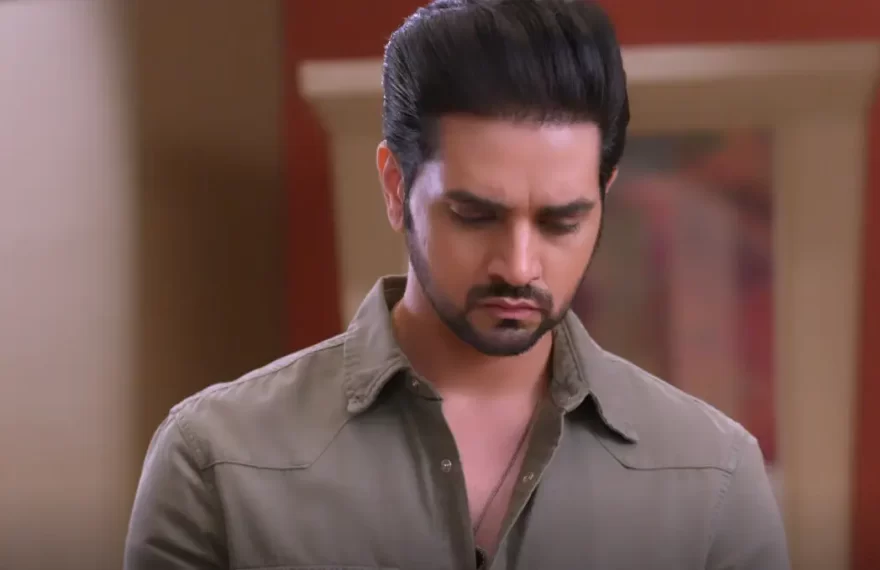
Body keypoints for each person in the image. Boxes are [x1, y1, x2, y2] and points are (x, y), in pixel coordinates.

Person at [123, 1, 790, 569]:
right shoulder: (217, 462)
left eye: (561, 221)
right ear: (396, 187)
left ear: (604, 196)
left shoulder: (715, 476)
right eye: (475, 215)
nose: (519, 266)